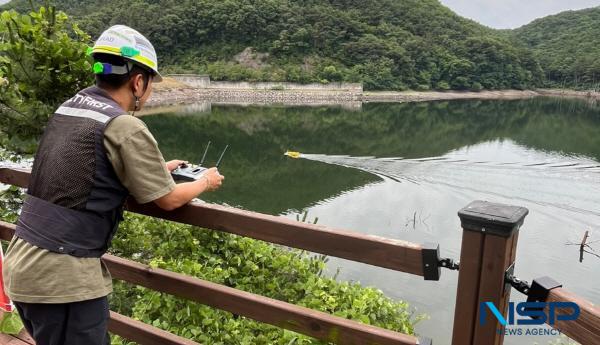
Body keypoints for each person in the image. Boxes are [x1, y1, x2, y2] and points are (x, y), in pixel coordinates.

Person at [2, 25, 224, 345]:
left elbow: (87, 168)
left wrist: (157, 168)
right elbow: (170, 199)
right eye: (150, 85)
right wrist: (205, 180)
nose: (148, 93)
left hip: (23, 261)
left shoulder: (71, 107)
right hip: (61, 278)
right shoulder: (124, 125)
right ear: (138, 81)